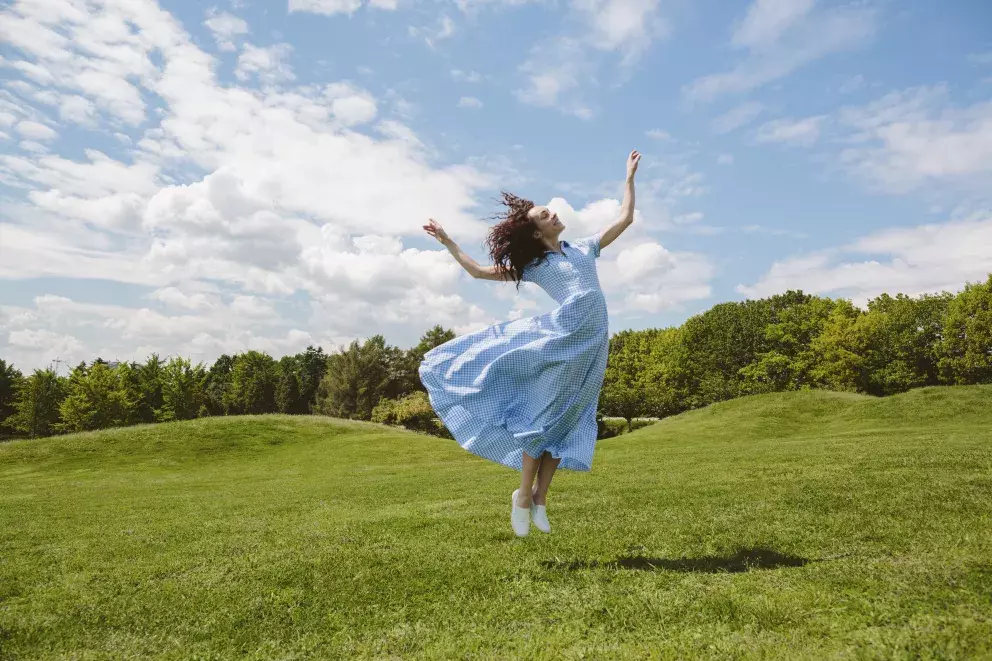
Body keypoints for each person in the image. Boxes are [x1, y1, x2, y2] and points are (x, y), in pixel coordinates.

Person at [419, 150, 641, 537]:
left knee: (569, 417)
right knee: (543, 419)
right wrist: (449, 242)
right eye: (544, 215)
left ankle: (541, 498)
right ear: (538, 233)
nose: (553, 214)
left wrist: (628, 179)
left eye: (549, 211)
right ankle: (523, 496)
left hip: (591, 347)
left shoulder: (584, 248)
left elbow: (625, 218)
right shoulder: (536, 265)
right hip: (559, 340)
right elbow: (478, 273)